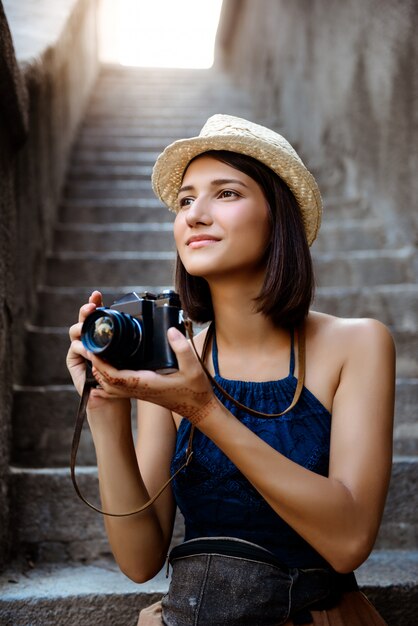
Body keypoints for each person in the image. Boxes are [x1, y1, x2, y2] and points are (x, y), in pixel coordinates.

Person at [67, 115, 395, 625]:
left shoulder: (358, 344)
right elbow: (139, 561)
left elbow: (349, 541)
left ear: (277, 216)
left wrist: (203, 409)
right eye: (185, 200)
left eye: (225, 194)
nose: (195, 215)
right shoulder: (172, 360)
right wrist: (105, 411)